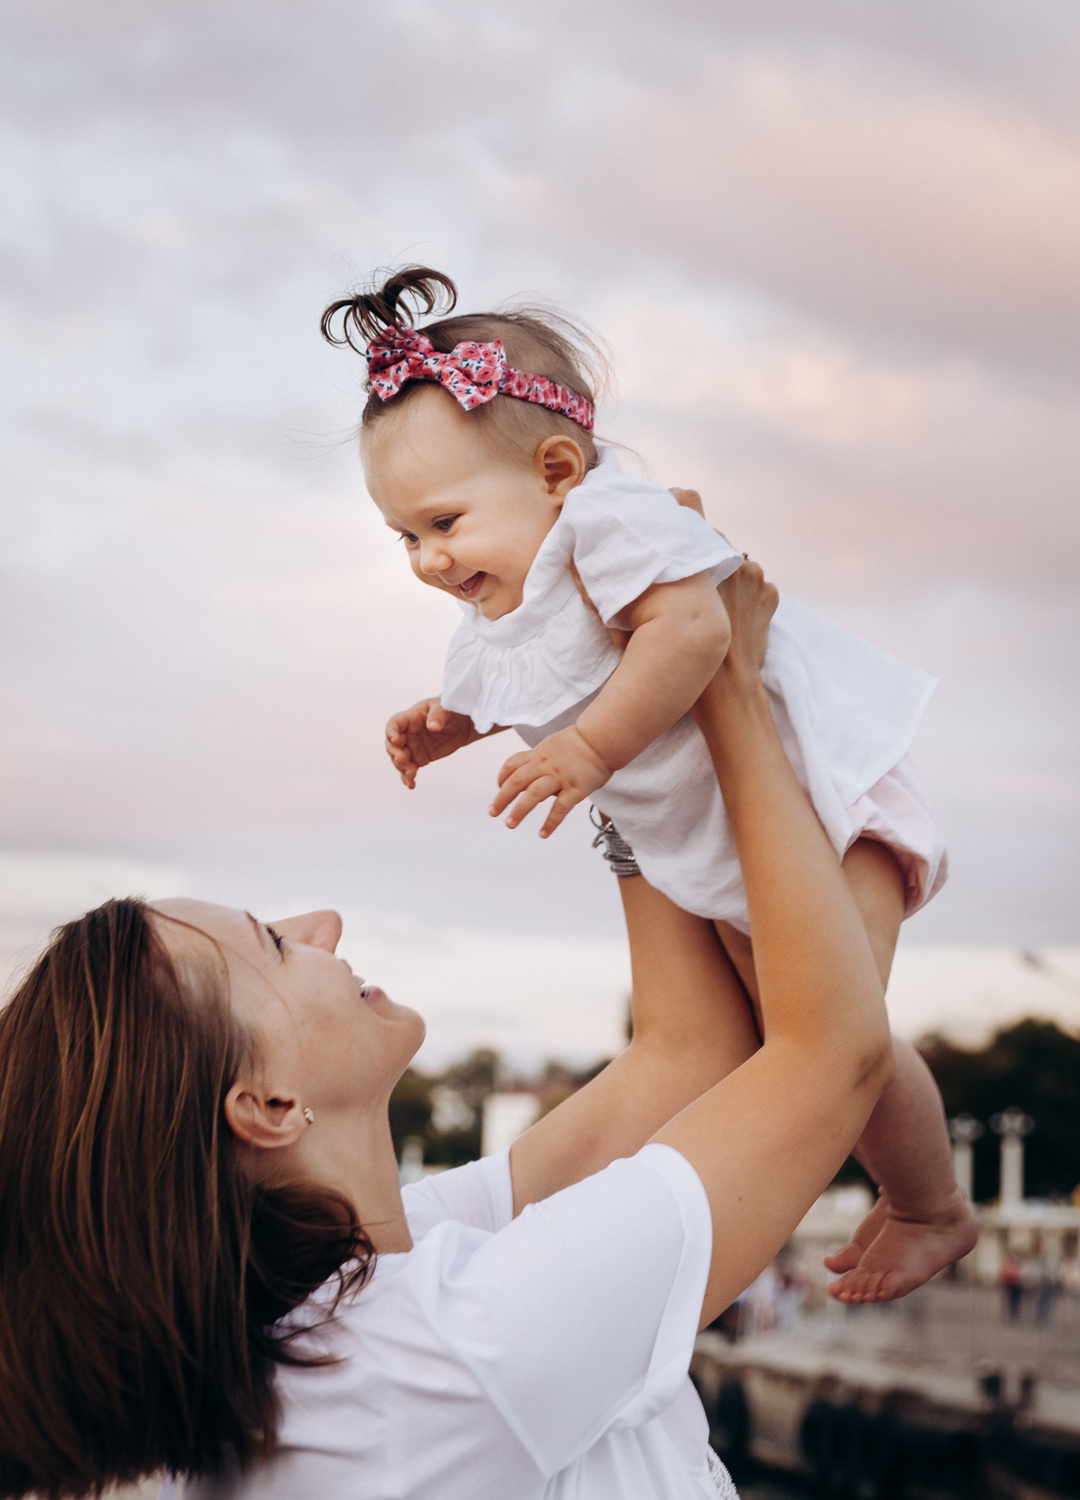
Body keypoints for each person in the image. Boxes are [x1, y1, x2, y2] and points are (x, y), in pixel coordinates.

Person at [0, 565, 893, 1499]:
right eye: (271, 942)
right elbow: (833, 1058)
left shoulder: (361, 1285)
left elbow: (688, 1056)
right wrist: (727, 687)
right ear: (265, 1105)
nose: (323, 923)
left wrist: (613, 711)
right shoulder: (453, 1347)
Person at [322, 266, 978, 1302]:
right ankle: (865, 1196)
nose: (426, 560)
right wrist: (451, 722)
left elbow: (696, 631)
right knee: (778, 1029)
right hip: (721, 827)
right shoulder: (512, 582)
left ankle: (930, 1204)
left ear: (556, 467)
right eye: (405, 536)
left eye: (443, 524)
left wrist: (589, 753)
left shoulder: (614, 519)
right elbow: (535, 668)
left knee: (831, 1027)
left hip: (826, 798)